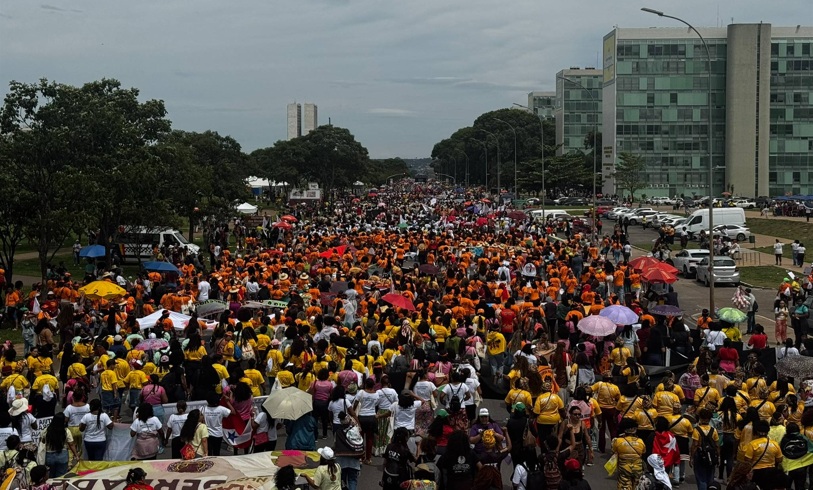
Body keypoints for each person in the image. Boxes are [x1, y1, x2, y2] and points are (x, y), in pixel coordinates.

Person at [742, 420, 784, 490]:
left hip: (757, 473)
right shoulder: (775, 444)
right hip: (771, 472)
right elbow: (779, 460)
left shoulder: (752, 444)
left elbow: (747, 460)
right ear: (768, 431)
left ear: (757, 431)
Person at [36, 413, 78, 477]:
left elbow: (41, 442)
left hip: (49, 456)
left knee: (50, 476)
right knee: (61, 476)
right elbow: (71, 444)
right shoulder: (66, 431)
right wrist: (76, 455)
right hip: (62, 456)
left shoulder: (46, 431)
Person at [611, 418, 645, 490]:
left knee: (624, 486)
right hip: (638, 470)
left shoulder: (618, 441)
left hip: (624, 469)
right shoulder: (640, 441)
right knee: (637, 487)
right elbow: (643, 452)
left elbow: (614, 451)